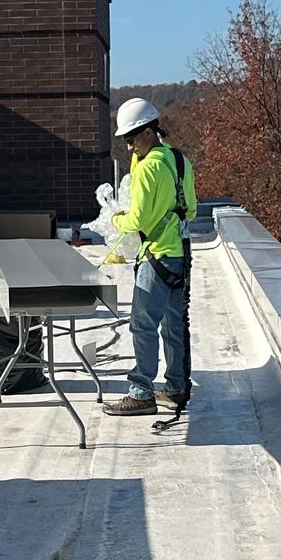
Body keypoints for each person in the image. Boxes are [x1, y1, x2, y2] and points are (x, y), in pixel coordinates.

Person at [104, 99, 199, 417]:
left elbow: (138, 221)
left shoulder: (148, 168)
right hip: (180, 254)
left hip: (156, 257)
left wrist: (115, 219)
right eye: (125, 141)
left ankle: (141, 392)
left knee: (142, 326)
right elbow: (193, 209)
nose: (129, 147)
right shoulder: (179, 160)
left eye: (131, 139)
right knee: (174, 325)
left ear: (148, 131)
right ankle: (175, 388)